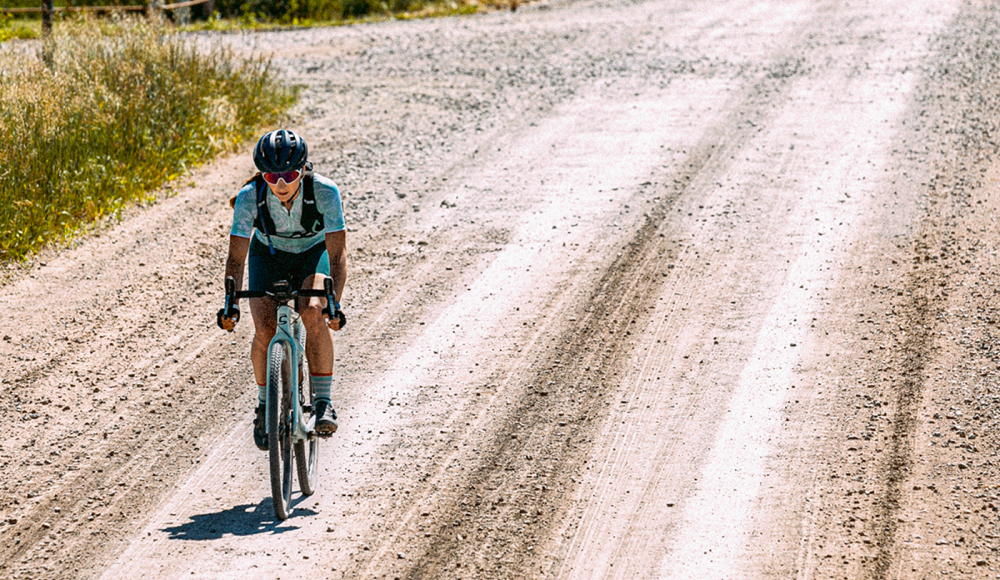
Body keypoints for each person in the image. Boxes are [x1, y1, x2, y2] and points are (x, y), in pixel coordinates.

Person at [217, 129, 347, 450]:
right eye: (272, 177)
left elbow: (337, 255)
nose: (281, 184)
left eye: (289, 174)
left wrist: (335, 305)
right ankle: (264, 406)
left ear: (303, 169)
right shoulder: (250, 196)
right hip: (269, 256)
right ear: (262, 175)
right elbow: (236, 258)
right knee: (264, 328)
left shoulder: (325, 192)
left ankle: (323, 402)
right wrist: (230, 304)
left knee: (312, 312)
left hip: (311, 256)